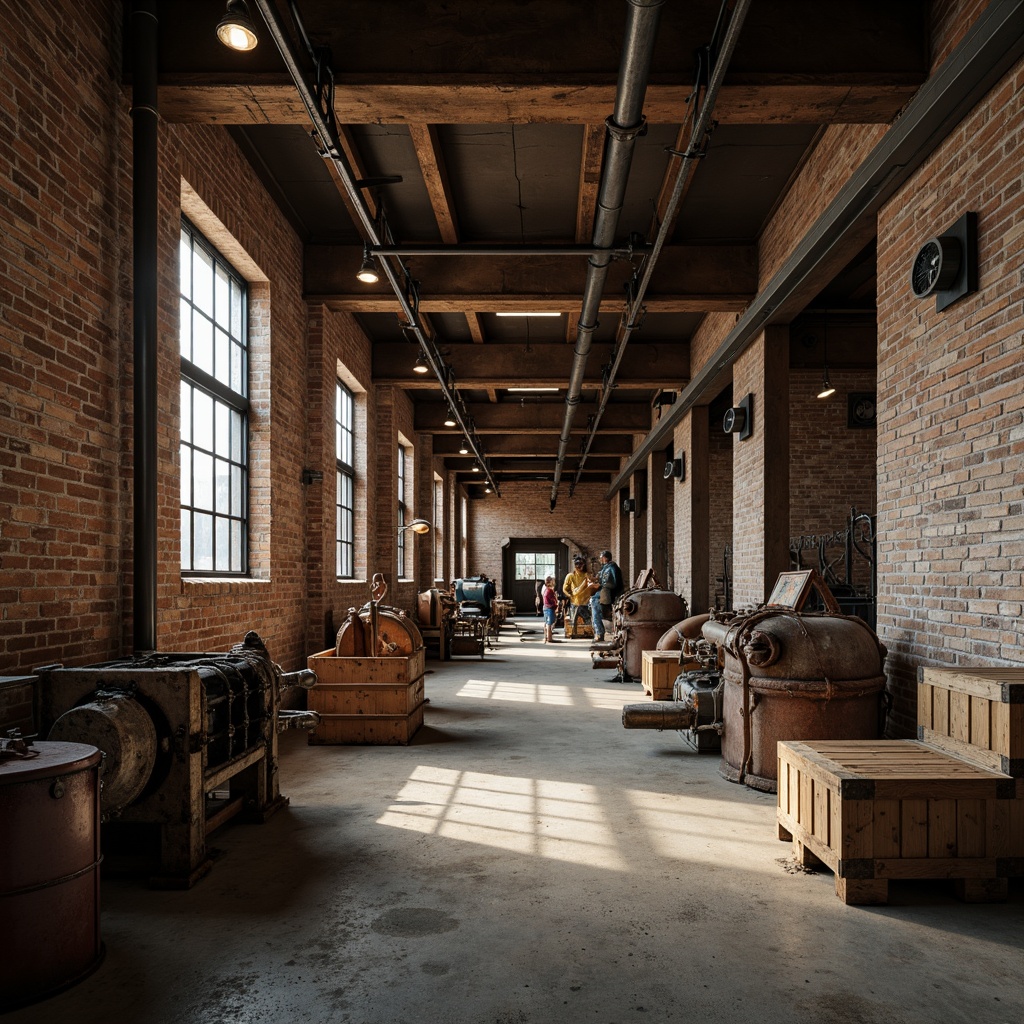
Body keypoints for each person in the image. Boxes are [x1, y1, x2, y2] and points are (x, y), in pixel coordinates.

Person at [589, 549, 623, 642]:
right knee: (592, 599)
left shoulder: (611, 567)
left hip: (610, 593)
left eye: (601, 558)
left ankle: (600, 633)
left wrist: (598, 585)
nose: (600, 560)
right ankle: (598, 631)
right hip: (604, 591)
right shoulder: (606, 567)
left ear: (605, 558)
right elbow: (601, 577)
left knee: (594, 602)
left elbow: (610, 583)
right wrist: (594, 579)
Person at [562, 554, 598, 638]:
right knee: (575, 621)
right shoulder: (570, 576)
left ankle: (589, 633)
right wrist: (570, 596)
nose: (579, 566)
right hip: (575, 602)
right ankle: (574, 633)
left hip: (586, 602)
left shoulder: (587, 575)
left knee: (588, 621)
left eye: (581, 564)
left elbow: (592, 586)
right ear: (575, 565)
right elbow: (565, 589)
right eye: (577, 564)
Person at [540, 576, 558, 643]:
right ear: (550, 582)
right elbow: (552, 600)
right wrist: (556, 605)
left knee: (548, 623)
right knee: (549, 623)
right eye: (553, 581)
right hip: (549, 608)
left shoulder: (546, 590)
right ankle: (549, 638)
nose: (554, 582)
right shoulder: (549, 591)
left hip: (546, 607)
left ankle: (547, 637)